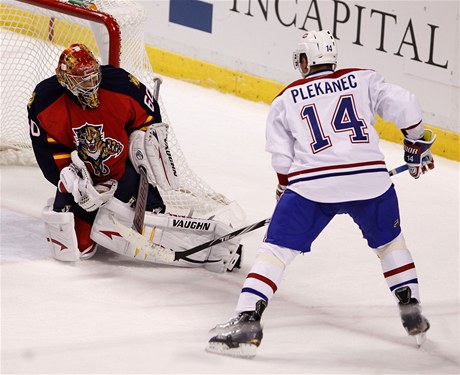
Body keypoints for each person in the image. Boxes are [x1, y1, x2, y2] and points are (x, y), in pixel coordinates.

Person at [206, 30, 435, 357]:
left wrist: (285, 187)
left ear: (304, 61)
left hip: (312, 185)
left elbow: (282, 157)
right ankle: (412, 310)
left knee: (276, 251)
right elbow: (407, 105)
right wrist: (414, 142)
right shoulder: (363, 78)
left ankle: (246, 323)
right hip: (370, 179)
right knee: (390, 244)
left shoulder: (286, 97)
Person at [28, 43, 241, 273]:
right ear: (66, 81)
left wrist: (145, 143)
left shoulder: (120, 84)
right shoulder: (45, 101)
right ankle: (93, 215)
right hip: (85, 184)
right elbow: (49, 152)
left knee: (154, 225)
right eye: (82, 80)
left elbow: (149, 119)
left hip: (123, 175)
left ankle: (210, 245)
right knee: (77, 247)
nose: (91, 84)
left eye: (93, 77)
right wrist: (71, 181)